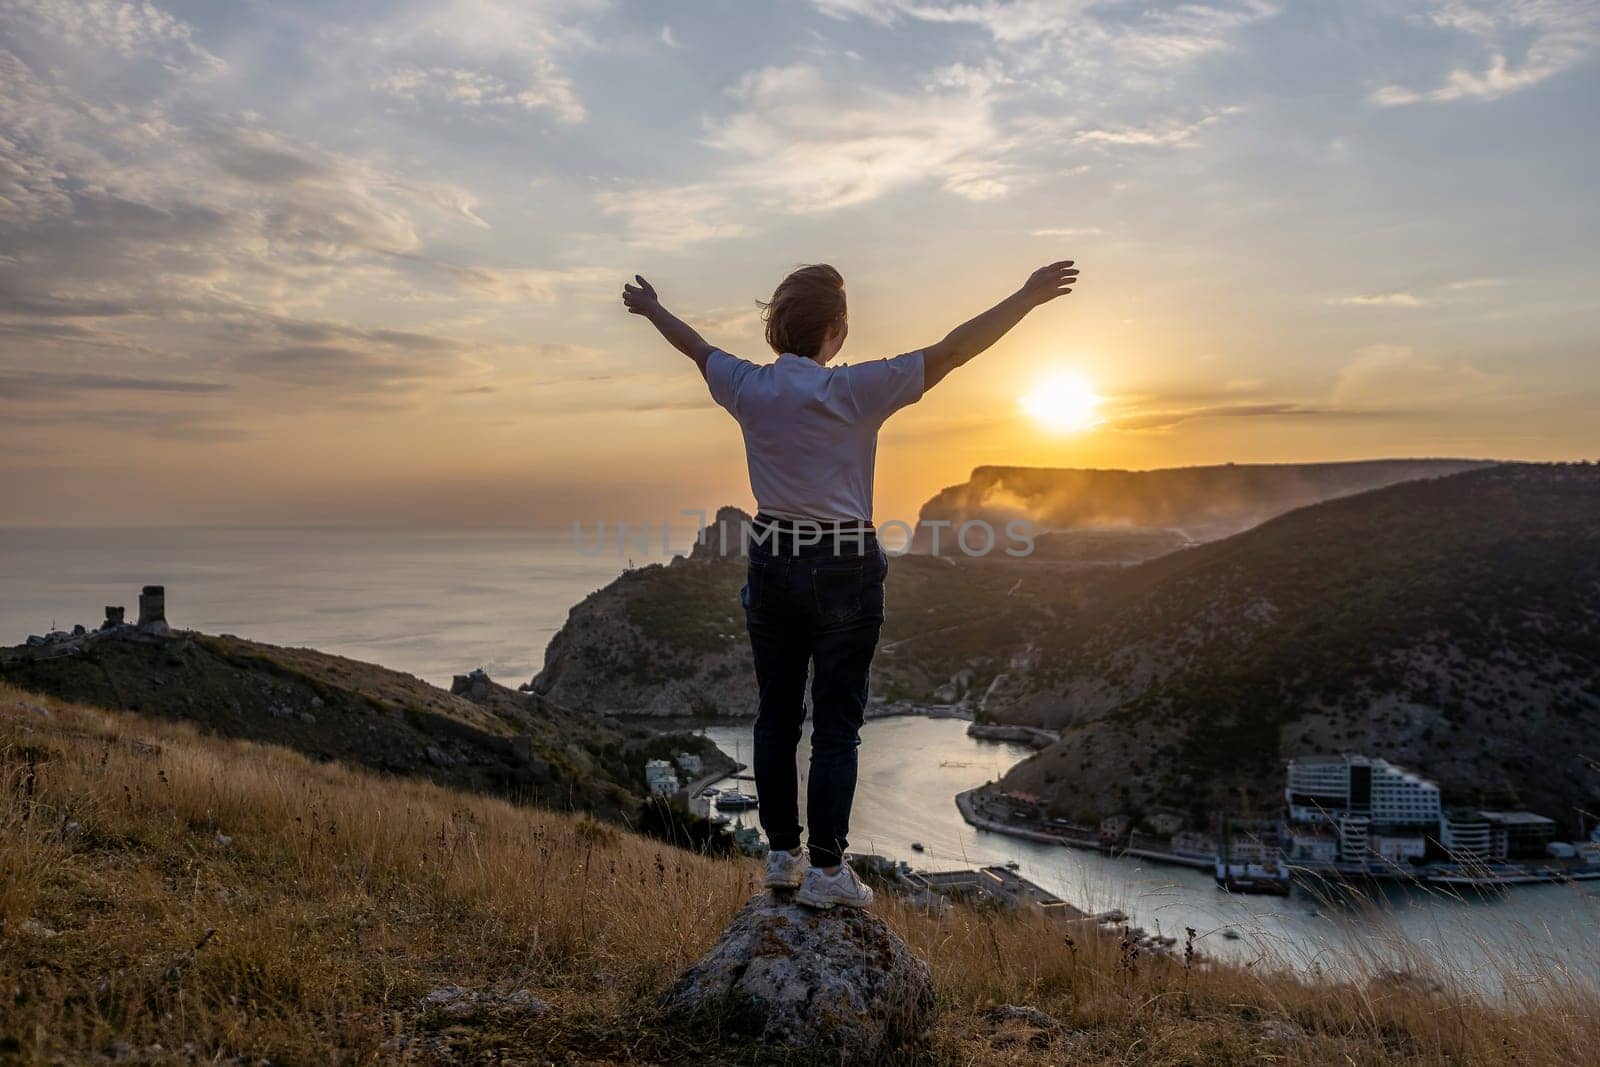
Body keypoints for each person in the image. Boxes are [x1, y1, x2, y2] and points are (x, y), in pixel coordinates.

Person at [622, 259, 1080, 908]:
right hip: (843, 562)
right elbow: (953, 349)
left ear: (775, 331)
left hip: (773, 554)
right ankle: (829, 870)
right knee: (836, 724)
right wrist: (1026, 297)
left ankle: (782, 857)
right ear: (835, 332)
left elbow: (696, 347)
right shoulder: (860, 389)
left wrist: (652, 308)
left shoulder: (747, 386)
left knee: (776, 716)